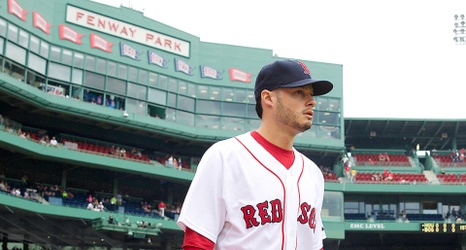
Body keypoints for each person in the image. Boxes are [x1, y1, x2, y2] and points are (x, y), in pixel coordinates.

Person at [177, 59, 333, 250]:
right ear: (268, 98)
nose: (311, 101)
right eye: (299, 92)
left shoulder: (313, 173)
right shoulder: (225, 157)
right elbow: (197, 244)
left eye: (310, 94)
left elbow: (316, 246)